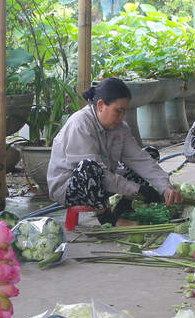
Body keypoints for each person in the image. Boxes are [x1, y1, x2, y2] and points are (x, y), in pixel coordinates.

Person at [48, 77, 182, 225]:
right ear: (100, 105)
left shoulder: (121, 128)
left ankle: (123, 208)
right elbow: (98, 172)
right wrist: (138, 189)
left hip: (103, 181)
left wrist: (165, 187)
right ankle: (107, 218)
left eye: (124, 111)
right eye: (118, 111)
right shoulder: (80, 124)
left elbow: (140, 159)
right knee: (89, 167)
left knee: (150, 153)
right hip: (71, 188)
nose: (121, 117)